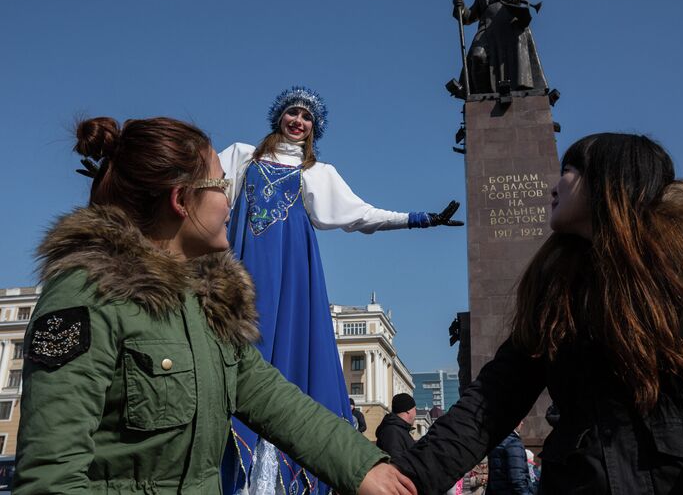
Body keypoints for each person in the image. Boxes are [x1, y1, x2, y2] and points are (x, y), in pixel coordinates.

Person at [13, 116, 416, 495]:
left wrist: (364, 466)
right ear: (181, 200)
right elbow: (53, 473)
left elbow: (276, 400)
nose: (231, 201)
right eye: (222, 186)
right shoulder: (86, 296)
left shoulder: (207, 302)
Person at [392, 133, 683, 494]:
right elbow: (493, 400)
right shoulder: (556, 287)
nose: (553, 187)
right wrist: (406, 481)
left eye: (568, 171)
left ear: (611, 179)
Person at [219, 86, 462, 494]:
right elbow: (202, 184)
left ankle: (275, 476)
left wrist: (418, 218)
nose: (298, 121)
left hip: (293, 275)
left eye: (307, 117)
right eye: (292, 113)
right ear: (279, 117)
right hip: (240, 266)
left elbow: (361, 214)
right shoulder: (242, 155)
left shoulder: (317, 173)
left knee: (286, 362)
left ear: (314, 128)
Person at [486, 424, 534, 495]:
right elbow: (517, 478)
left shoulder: (494, 441)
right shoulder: (513, 442)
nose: (522, 423)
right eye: (520, 420)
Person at [376, 394, 417, 459]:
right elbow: (396, 462)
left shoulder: (399, 430)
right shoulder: (392, 431)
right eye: (415, 410)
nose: (415, 414)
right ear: (408, 410)